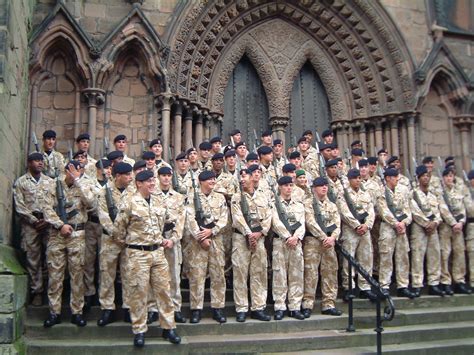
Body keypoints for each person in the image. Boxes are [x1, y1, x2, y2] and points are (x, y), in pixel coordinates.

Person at [113, 169, 181, 347]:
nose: (152, 183)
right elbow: (118, 231)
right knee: (139, 293)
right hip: (137, 254)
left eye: (153, 180)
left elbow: (173, 220)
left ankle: (169, 328)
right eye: (149, 181)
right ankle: (139, 330)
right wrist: (132, 246)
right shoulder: (129, 203)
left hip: (158, 253)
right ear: (139, 183)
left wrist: (171, 239)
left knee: (164, 291)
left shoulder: (159, 202)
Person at [42, 160, 96, 327]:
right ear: (66, 171)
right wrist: (60, 225)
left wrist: (79, 181)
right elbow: (46, 209)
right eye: (72, 170)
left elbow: (91, 203)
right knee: (55, 276)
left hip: (78, 235)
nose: (75, 173)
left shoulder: (85, 186)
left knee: (77, 275)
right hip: (57, 235)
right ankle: (54, 312)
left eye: (78, 170)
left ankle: (77, 312)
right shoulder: (53, 186)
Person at [230, 169, 278, 322]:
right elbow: (237, 218)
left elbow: (269, 216)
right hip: (241, 239)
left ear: (252, 178)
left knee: (259, 274)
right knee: (240, 274)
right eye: (241, 176)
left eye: (244, 176)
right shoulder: (236, 197)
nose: (242, 179)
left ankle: (258, 307)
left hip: (259, 240)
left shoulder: (264, 196)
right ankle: (242, 308)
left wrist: (260, 233)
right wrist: (249, 234)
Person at [185, 170, 229, 324]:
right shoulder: (192, 197)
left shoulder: (220, 197)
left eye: (213, 179)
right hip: (198, 244)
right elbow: (189, 219)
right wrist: (200, 237)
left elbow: (224, 218)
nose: (212, 181)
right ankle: (196, 309)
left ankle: (218, 308)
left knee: (218, 274)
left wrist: (212, 231)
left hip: (216, 240)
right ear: (201, 181)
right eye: (209, 179)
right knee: (197, 276)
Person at [13, 152, 55, 306]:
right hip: (30, 225)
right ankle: (36, 291)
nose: (40, 163)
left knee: (51, 258)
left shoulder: (50, 182)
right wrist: (34, 220)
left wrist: (47, 219)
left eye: (41, 161)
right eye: (36, 160)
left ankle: (52, 292)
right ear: (29, 163)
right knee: (33, 259)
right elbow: (19, 205)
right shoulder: (21, 182)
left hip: (48, 223)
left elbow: (56, 203)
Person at [96, 162, 133, 326]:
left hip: (128, 239)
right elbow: (103, 216)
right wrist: (115, 233)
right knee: (107, 274)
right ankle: (107, 309)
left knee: (128, 273)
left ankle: (128, 307)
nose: (131, 177)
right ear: (118, 176)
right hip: (110, 239)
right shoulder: (104, 191)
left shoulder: (133, 191)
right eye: (127, 175)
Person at [302, 177, 342, 317]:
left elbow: (337, 224)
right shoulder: (308, 204)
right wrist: (323, 237)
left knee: (330, 272)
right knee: (310, 273)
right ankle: (307, 303)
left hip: (329, 243)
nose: (324, 188)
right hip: (313, 242)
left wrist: (333, 237)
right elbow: (310, 222)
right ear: (314, 188)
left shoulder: (332, 205)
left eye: (325, 185)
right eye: (320, 186)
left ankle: (329, 303)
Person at [376, 168, 415, 298]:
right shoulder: (381, 191)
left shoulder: (403, 190)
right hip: (388, 227)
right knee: (386, 257)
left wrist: (404, 222)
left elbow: (407, 208)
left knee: (403, 256)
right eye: (394, 177)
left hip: (401, 228)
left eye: (397, 176)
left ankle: (402, 285)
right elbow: (383, 210)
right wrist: (396, 223)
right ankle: (384, 286)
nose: (397, 179)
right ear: (388, 178)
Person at [340, 169, 377, 301]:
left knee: (366, 258)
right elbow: (344, 212)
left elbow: (371, 211)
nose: (357, 180)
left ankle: (365, 287)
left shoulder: (365, 194)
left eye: (359, 178)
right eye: (355, 178)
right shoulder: (343, 194)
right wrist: (356, 225)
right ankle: (349, 287)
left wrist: (367, 225)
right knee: (349, 260)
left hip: (365, 230)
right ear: (349, 179)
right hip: (351, 231)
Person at [272, 176, 306, 321]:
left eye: (290, 185)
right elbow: (275, 222)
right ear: (280, 187)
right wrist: (287, 237)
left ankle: (295, 307)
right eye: (285, 185)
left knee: (296, 275)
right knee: (279, 275)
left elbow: (302, 223)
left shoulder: (298, 205)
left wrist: (296, 237)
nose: (288, 188)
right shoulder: (273, 204)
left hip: (296, 243)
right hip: (281, 242)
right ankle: (280, 306)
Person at [409, 165, 445, 297]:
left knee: (434, 255)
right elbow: (415, 211)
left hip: (433, 229)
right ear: (418, 178)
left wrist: (435, 222)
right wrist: (426, 224)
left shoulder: (432, 195)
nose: (426, 178)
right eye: (423, 176)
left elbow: (437, 211)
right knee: (418, 256)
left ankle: (434, 283)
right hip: (419, 228)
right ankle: (417, 284)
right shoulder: (413, 193)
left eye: (427, 176)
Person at [438, 168, 470, 294]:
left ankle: (459, 280)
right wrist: (453, 223)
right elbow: (443, 209)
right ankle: (445, 281)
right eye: (447, 176)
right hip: (446, 226)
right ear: (443, 178)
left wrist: (461, 222)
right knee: (445, 254)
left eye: (451, 176)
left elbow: (462, 209)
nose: (449, 178)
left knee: (459, 253)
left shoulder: (458, 191)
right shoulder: (440, 192)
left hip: (458, 227)